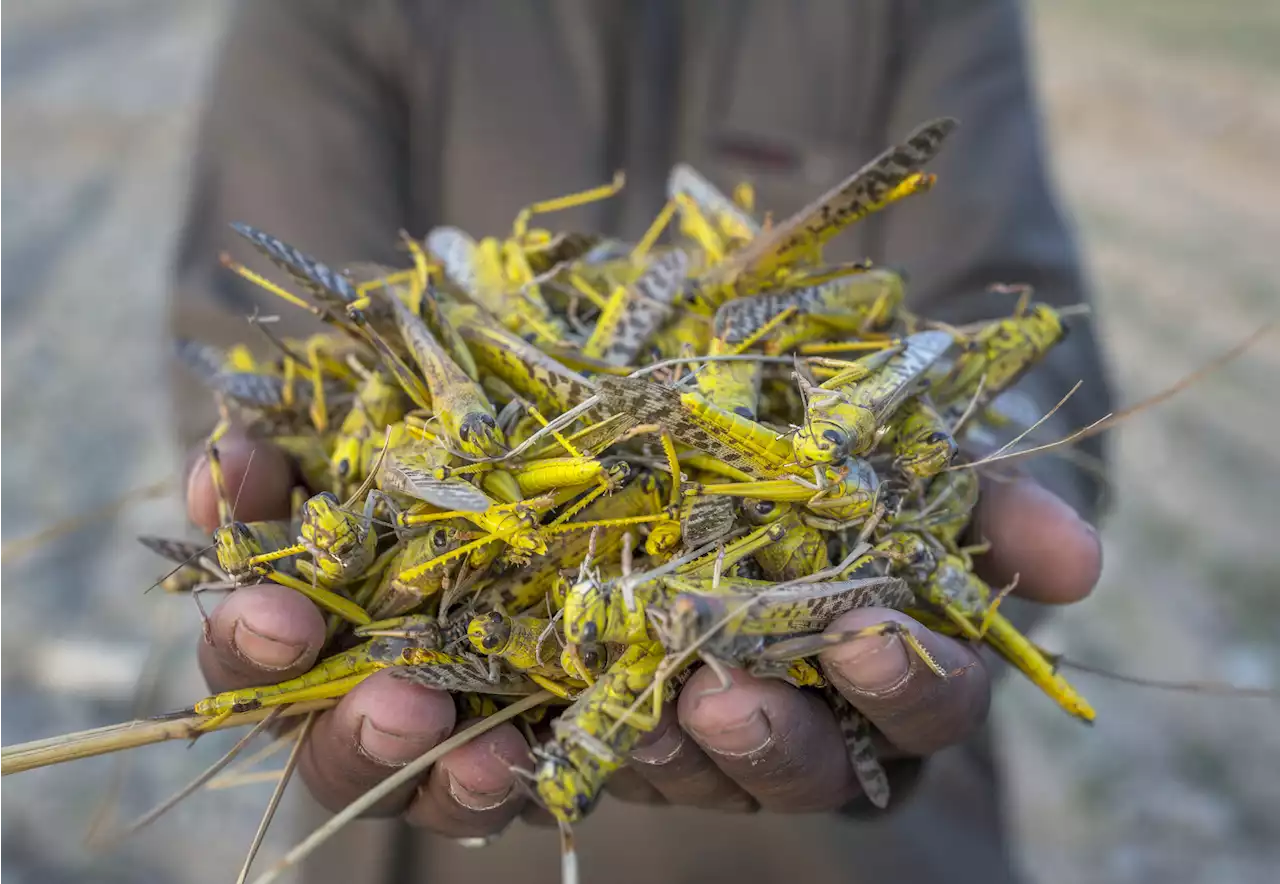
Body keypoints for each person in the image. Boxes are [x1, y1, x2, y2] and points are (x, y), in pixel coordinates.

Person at [170, 2, 1112, 882]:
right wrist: (280, 491)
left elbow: (1002, 322)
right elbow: (273, 343)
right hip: (437, 829)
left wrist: (987, 455)